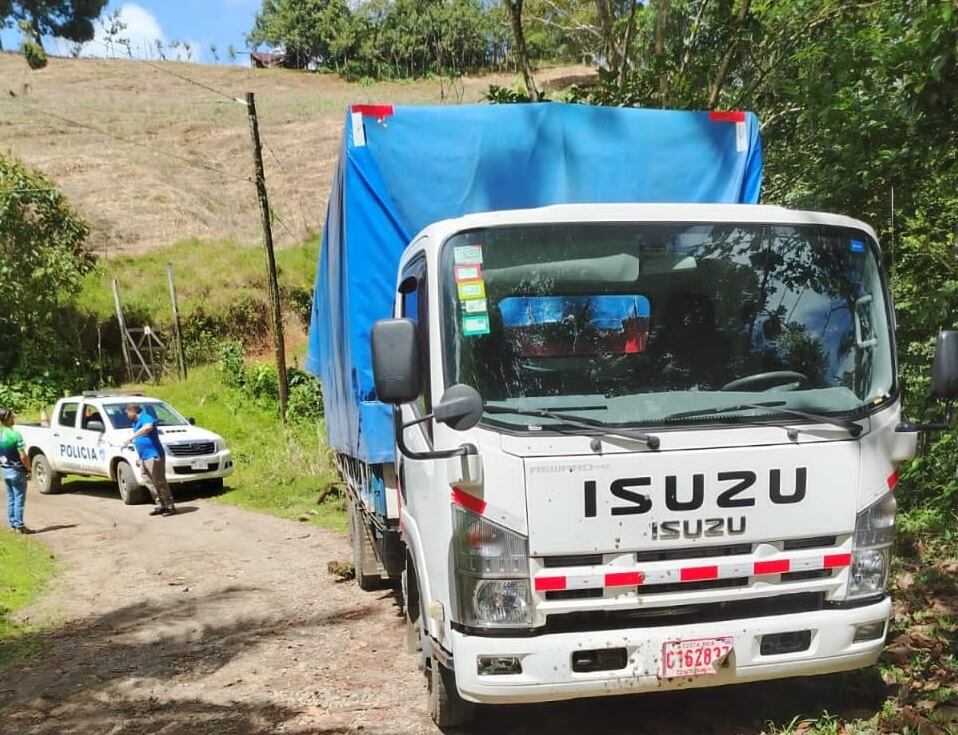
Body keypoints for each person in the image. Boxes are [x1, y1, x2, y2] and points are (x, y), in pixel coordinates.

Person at [125, 403, 176, 516]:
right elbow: (141, 442)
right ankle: (160, 505)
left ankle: (169, 506)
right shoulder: (135, 423)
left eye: (127, 413)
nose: (127, 415)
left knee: (159, 481)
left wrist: (132, 437)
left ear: (133, 411)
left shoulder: (145, 417)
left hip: (154, 456)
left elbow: (148, 427)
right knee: (148, 481)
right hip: (144, 457)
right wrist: (139, 458)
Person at [0, 407, 32, 533]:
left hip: (5, 470)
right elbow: (23, 456)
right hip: (17, 470)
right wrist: (28, 469)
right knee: (19, 498)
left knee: (11, 498)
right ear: (7, 418)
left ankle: (12, 524)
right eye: (12, 416)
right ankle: (19, 526)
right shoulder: (15, 435)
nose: (13, 418)